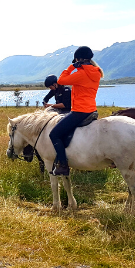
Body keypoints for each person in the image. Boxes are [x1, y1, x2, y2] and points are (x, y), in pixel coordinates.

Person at [48, 46, 103, 176]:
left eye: (76, 60)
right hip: (91, 110)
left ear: (78, 60)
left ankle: (63, 165)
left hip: (79, 111)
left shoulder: (80, 74)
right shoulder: (96, 72)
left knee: (54, 134)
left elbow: (60, 80)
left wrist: (72, 67)